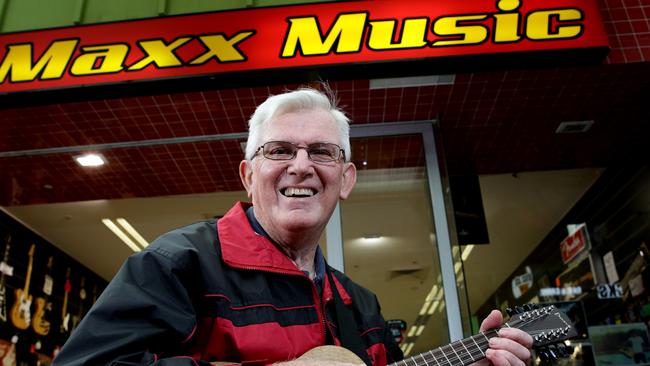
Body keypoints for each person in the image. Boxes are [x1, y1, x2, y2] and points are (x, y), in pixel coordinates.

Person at [52, 87, 532, 366]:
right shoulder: (178, 264)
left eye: (321, 152)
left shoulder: (360, 305)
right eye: (279, 150)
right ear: (248, 174)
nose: (301, 166)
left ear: (345, 180)